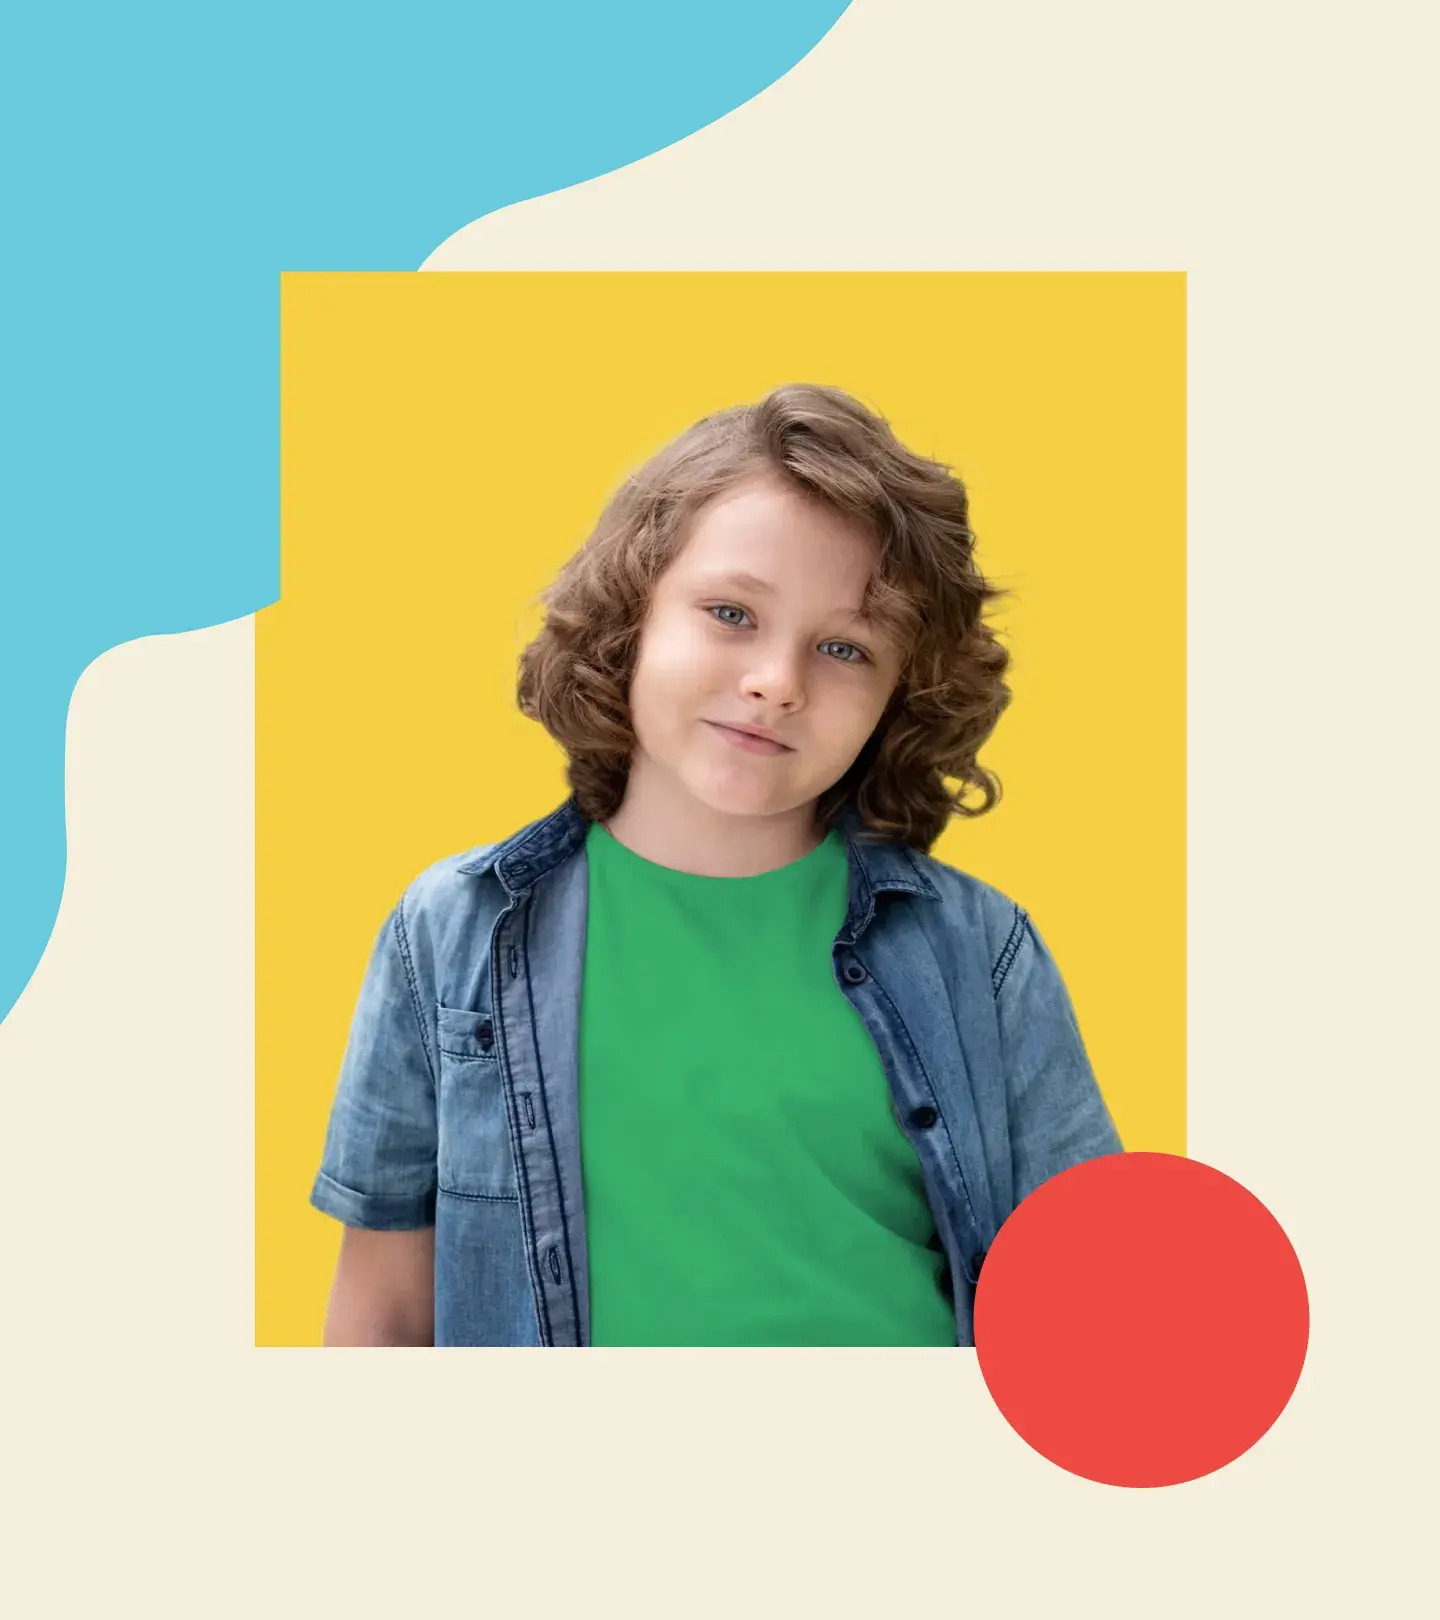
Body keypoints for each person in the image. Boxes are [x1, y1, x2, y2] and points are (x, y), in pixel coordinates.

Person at [310, 382, 1123, 1347]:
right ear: (632, 619)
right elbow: (385, 1308)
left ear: (899, 695)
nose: (777, 683)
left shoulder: (979, 951)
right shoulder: (454, 931)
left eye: (843, 647)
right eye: (732, 612)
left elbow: (1091, 1293)